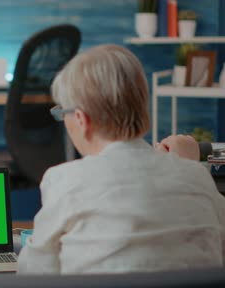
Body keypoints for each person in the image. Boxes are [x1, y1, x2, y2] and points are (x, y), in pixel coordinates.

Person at [17, 44, 225, 275]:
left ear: (80, 119)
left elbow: (34, 275)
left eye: (62, 113)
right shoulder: (196, 176)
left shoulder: (63, 182)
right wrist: (189, 166)